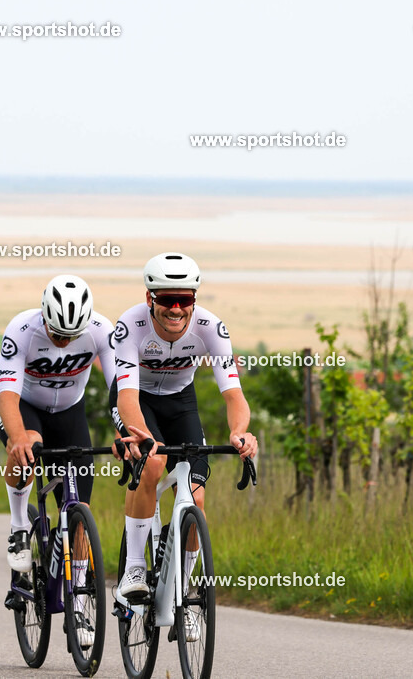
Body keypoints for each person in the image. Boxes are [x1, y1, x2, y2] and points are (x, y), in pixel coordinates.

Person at [110, 253, 258, 641]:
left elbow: (233, 394)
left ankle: (184, 592)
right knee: (152, 464)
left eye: (185, 300)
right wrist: (143, 437)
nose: (176, 308)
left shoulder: (211, 327)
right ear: (150, 298)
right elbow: (126, 397)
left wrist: (240, 432)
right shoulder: (130, 326)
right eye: (166, 299)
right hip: (136, 399)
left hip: (180, 402)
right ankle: (134, 568)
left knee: (196, 496)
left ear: (194, 299)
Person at [0, 274, 114, 648]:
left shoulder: (101, 331)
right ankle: (18, 528)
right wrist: (18, 437)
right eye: (58, 333)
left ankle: (79, 602)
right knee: (26, 449)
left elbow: (120, 389)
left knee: (79, 511)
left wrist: (127, 431)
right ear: (44, 315)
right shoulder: (22, 330)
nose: (63, 341)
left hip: (69, 414)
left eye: (71, 336)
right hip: (24, 407)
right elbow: (8, 396)